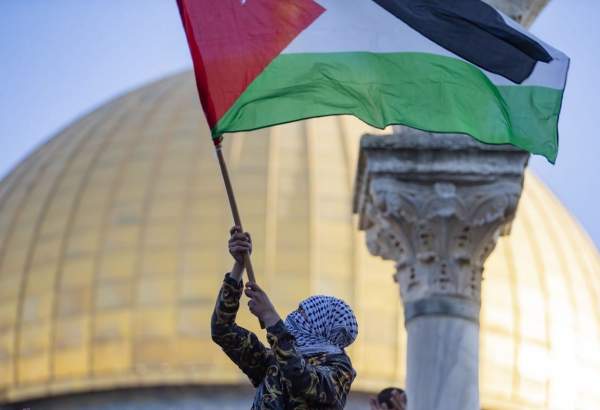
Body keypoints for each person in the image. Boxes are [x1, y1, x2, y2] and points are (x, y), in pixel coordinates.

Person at [211, 226, 359, 409]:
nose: (294, 318)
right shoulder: (273, 361)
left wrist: (271, 318)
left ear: (320, 328)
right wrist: (239, 267)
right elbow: (222, 330)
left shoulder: (339, 368)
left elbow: (302, 379)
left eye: (303, 315)